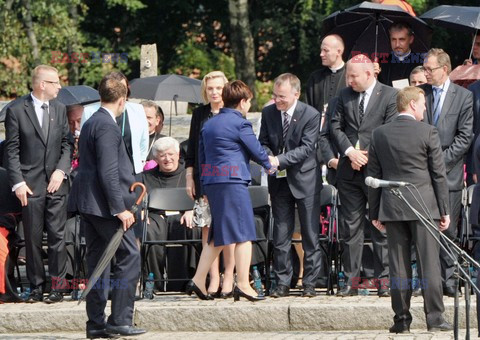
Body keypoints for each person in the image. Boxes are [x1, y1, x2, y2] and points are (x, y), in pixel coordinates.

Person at [368, 86, 452, 333]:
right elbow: (438, 174)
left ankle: (401, 320)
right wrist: (444, 209)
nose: (425, 108)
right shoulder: (428, 132)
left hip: (392, 207)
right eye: (423, 104)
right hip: (424, 206)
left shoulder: (379, 134)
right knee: (429, 264)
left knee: (398, 265)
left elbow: (374, 176)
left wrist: (375, 213)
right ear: (413, 104)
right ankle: (435, 319)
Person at [68, 75, 146, 338]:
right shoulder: (107, 126)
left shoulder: (91, 121)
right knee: (129, 256)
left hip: (91, 204)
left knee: (99, 262)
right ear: (122, 100)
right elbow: (108, 172)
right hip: (104, 207)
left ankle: (96, 324)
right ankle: (120, 320)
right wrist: (119, 209)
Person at [187, 80, 273, 301]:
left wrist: (205, 185)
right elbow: (255, 150)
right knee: (244, 232)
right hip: (233, 181)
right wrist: (270, 163)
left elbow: (201, 156)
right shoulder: (240, 123)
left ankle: (197, 280)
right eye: (248, 102)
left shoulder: (209, 123)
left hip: (213, 182)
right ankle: (243, 284)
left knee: (218, 235)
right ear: (243, 101)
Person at [331, 54, 397, 297]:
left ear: (370, 74)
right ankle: (351, 280)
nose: (349, 80)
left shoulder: (389, 95)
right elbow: (334, 127)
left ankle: (385, 280)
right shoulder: (343, 96)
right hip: (349, 172)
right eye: (348, 75)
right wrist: (350, 153)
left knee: (380, 225)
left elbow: (389, 130)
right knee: (351, 227)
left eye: (353, 76)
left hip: (376, 171)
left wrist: (366, 156)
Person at [4, 65, 70, 304]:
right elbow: (11, 151)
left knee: (57, 237)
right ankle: (35, 286)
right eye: (55, 82)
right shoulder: (16, 110)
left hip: (56, 184)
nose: (60, 87)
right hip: (29, 186)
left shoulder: (61, 109)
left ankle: (58, 287)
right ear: (42, 84)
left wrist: (61, 171)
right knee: (31, 239)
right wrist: (18, 183)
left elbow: (66, 144)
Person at [259, 73, 322, 298]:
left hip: (305, 180)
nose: (277, 101)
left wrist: (279, 160)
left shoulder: (311, 114)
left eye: (282, 97)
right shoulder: (268, 112)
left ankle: (310, 283)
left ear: (296, 94)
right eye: (275, 95)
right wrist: (267, 158)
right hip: (279, 181)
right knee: (281, 233)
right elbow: (263, 141)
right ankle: (282, 282)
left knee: (309, 233)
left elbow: (307, 148)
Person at [419, 48, 473, 296]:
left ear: (445, 69)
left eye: (429, 69)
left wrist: (440, 162)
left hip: (448, 174)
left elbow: (465, 137)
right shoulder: (421, 94)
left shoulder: (463, 96)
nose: (425, 73)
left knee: (447, 229)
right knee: (424, 228)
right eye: (424, 68)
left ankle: (449, 281)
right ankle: (429, 282)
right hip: (421, 172)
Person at [184, 71, 235, 297]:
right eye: (210, 88)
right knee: (207, 229)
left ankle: (229, 277)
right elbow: (192, 149)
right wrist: (189, 178)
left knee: (228, 230)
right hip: (204, 178)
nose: (214, 92)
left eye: (218, 87)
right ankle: (212, 278)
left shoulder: (232, 113)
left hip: (227, 178)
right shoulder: (200, 114)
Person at [142, 137, 198, 291]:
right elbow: (139, 198)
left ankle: (188, 280)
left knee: (191, 226)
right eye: (162, 155)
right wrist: (141, 211)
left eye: (171, 154)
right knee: (148, 230)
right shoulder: (146, 177)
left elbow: (199, 198)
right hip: (156, 218)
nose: (167, 159)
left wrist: (191, 209)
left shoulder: (189, 175)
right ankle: (152, 281)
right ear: (155, 158)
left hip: (183, 216)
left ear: (178, 154)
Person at [82, 72, 149, 176]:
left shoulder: (137, 109)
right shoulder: (89, 111)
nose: (119, 92)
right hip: (101, 173)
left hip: (132, 171)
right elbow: (85, 144)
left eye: (122, 88)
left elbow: (143, 142)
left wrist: (140, 162)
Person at [378, 22, 424, 88]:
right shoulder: (381, 63)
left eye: (401, 39)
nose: (397, 44)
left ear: (411, 39)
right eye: (393, 39)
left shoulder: (421, 63)